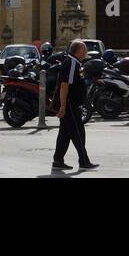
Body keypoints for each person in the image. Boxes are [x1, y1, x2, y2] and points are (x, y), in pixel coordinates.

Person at [53, 40, 98, 172]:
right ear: (78, 51)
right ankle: (84, 161)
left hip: (71, 104)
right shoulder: (72, 63)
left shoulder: (74, 63)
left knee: (65, 134)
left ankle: (58, 160)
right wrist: (62, 106)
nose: (86, 52)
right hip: (70, 105)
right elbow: (64, 85)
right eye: (84, 50)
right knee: (78, 133)